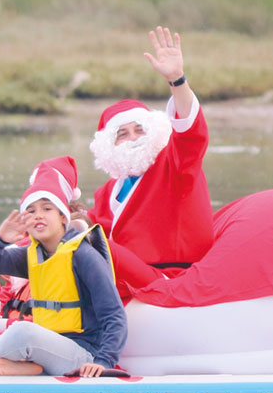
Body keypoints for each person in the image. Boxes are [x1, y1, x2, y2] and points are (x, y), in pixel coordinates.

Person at [0, 156, 127, 377]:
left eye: (47, 209)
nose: (39, 216)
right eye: (32, 211)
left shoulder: (84, 256)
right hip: (39, 347)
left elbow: (114, 316)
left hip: (81, 353)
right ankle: (28, 368)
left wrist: (103, 361)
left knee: (23, 332)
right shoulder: (33, 255)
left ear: (63, 217)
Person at [87, 26, 213, 298]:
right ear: (110, 147)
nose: (133, 138)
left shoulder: (176, 166)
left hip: (171, 277)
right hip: (125, 282)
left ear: (155, 131)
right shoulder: (107, 193)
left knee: (91, 244)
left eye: (139, 129)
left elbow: (191, 136)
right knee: (77, 232)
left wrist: (177, 80)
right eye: (122, 134)